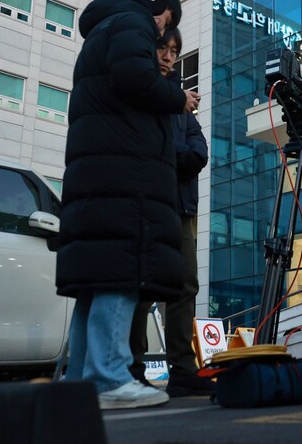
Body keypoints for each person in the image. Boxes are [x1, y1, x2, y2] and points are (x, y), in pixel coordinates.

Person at [55, 0, 201, 410]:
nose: (162, 32)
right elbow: (135, 78)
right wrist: (178, 99)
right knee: (121, 273)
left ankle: (83, 383)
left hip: (102, 172)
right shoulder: (132, 21)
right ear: (156, 8)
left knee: (96, 282)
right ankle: (109, 377)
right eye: (167, 20)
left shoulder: (106, 26)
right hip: (124, 176)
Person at [129, 27, 213, 397]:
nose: (168, 56)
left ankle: (182, 369)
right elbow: (149, 146)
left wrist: (173, 152)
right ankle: (132, 368)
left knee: (184, 288)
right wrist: (176, 153)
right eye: (163, 48)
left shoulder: (182, 104)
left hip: (182, 209)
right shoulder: (146, 94)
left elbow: (200, 151)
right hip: (148, 206)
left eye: (174, 51)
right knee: (142, 288)